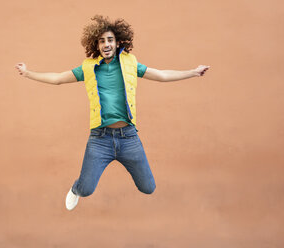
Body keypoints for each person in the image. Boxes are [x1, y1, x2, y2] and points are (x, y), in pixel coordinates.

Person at [15, 15, 210, 211]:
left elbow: (161, 75)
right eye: (101, 41)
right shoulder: (88, 68)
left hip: (129, 138)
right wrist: (28, 73)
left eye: (110, 40)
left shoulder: (130, 64)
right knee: (86, 190)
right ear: (96, 45)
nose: (106, 44)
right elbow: (58, 78)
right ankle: (76, 188)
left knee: (148, 187)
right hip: (100, 139)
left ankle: (85, 185)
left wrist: (193, 72)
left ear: (117, 43)